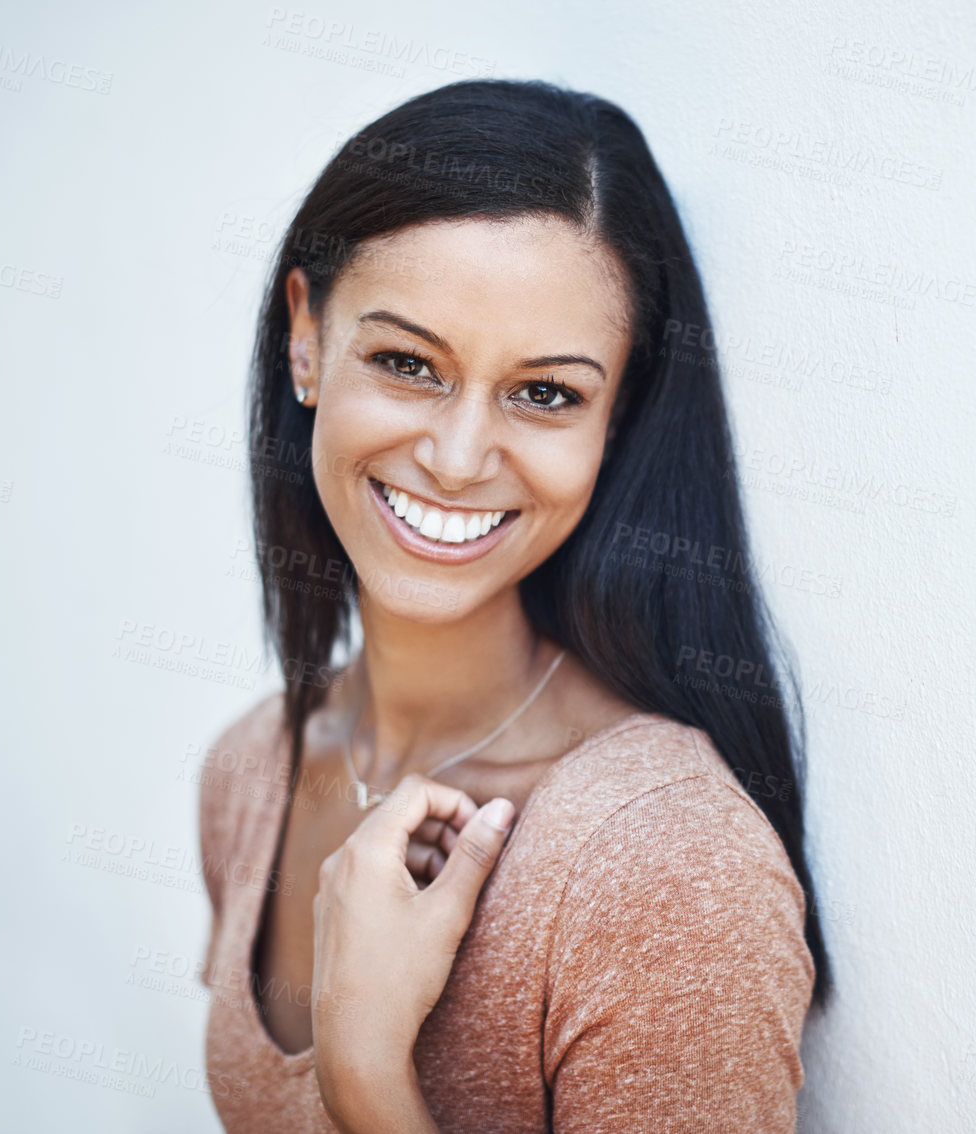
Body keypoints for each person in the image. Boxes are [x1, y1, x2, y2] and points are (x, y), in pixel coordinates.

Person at [193, 78, 832, 1133]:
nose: (454, 458)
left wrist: (366, 1075)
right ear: (305, 337)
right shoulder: (251, 770)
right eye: (406, 363)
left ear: (618, 416)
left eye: (545, 393)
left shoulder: (662, 863)